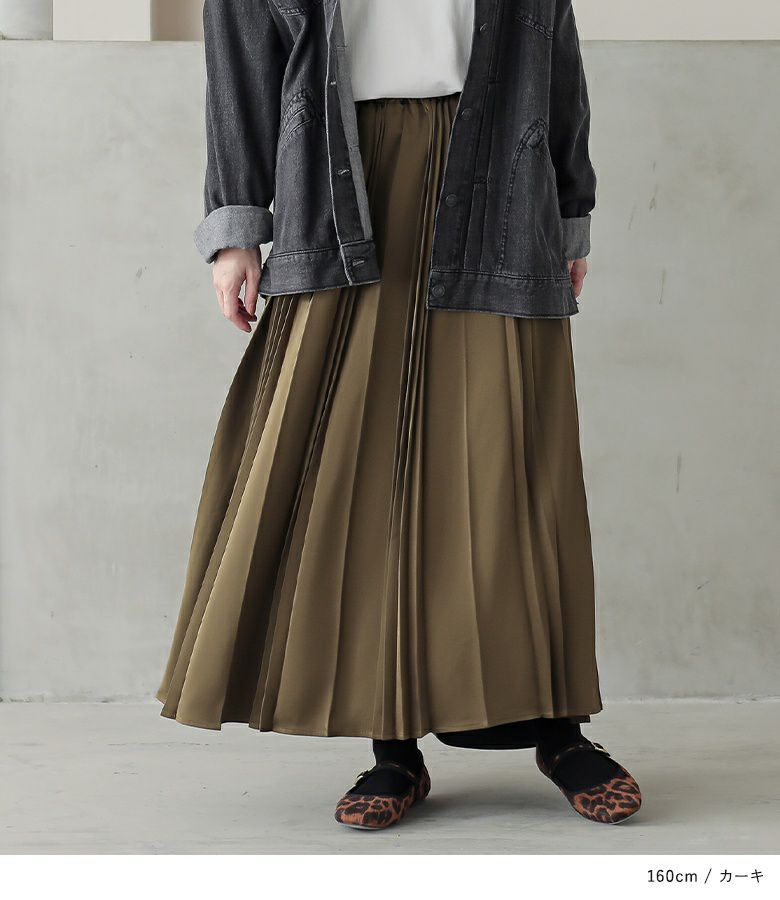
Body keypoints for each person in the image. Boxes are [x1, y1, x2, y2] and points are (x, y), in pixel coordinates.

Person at [157, 0, 642, 830]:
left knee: (514, 468)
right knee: (364, 473)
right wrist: (236, 226)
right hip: (340, 176)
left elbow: (551, 42)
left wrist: (567, 210)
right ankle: (394, 748)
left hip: (500, 172)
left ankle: (560, 732)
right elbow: (240, 47)